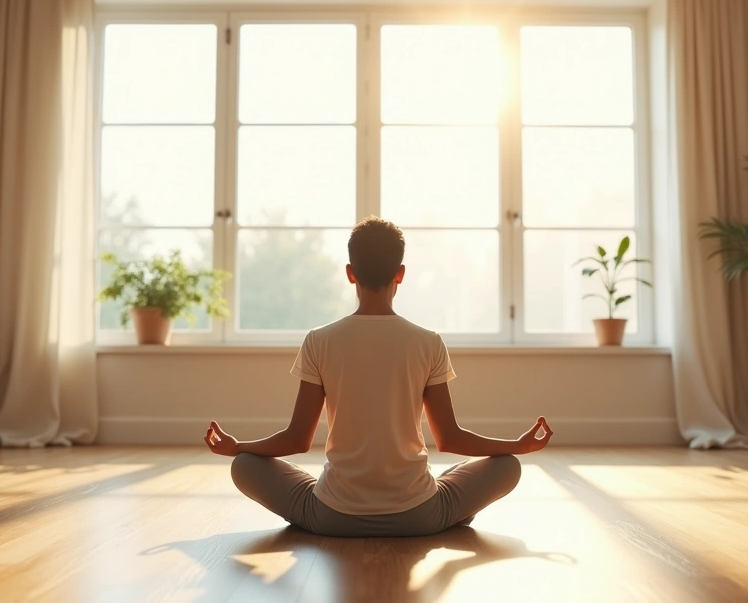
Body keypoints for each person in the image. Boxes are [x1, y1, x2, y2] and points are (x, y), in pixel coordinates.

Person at [204, 216, 553, 537]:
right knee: (506, 467)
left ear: (350, 272)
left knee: (245, 466)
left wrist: (239, 447)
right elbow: (449, 439)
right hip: (419, 515)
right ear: (400, 273)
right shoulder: (428, 342)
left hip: (331, 516)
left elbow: (297, 440)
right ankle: (441, 506)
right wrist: (516, 446)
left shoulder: (319, 340)